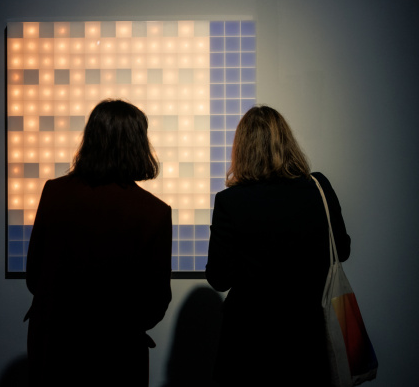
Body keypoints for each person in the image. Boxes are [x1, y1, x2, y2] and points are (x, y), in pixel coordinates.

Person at [25, 99, 172, 386]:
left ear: (90, 139)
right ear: (138, 144)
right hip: (118, 354)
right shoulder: (154, 211)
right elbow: (156, 301)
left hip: (55, 349)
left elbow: (34, 276)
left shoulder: (54, 193)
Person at [206, 106, 351, 386]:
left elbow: (219, 278)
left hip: (249, 344)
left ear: (242, 149)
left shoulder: (230, 201)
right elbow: (341, 251)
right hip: (309, 338)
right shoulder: (319, 187)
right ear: (287, 142)